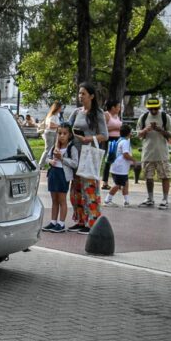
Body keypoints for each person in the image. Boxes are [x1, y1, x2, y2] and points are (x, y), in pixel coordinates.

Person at [68, 82, 108, 234]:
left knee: (89, 189)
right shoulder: (77, 112)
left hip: (89, 155)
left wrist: (88, 139)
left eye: (83, 94)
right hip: (76, 155)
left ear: (91, 96)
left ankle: (92, 222)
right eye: (79, 93)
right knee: (76, 190)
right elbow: (66, 127)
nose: (80, 96)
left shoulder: (98, 113)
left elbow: (105, 135)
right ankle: (80, 220)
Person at [137, 97, 171, 209]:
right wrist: (146, 130)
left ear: (159, 107)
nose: (153, 110)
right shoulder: (143, 117)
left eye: (155, 108)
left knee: (165, 176)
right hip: (148, 152)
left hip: (162, 153)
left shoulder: (165, 117)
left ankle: (165, 199)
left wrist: (160, 130)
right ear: (148, 108)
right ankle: (150, 198)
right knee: (148, 177)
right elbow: (138, 134)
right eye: (151, 108)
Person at [41, 122, 78, 233]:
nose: (61, 136)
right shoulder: (54, 147)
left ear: (70, 135)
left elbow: (75, 163)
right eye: (59, 133)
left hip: (63, 175)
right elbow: (47, 157)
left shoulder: (72, 148)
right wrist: (50, 161)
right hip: (53, 173)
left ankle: (61, 224)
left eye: (64, 133)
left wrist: (62, 158)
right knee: (54, 200)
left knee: (62, 200)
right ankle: (53, 222)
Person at [104, 124, 134, 207]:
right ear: (129, 133)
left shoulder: (120, 140)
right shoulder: (125, 142)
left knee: (125, 183)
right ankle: (107, 200)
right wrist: (133, 160)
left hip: (119, 168)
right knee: (117, 185)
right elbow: (125, 154)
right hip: (120, 169)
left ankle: (126, 201)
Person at [101, 99, 122, 190]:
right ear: (113, 107)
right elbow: (103, 128)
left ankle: (117, 182)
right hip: (109, 139)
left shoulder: (117, 116)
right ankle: (105, 182)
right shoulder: (106, 115)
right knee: (108, 160)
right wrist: (113, 128)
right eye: (118, 106)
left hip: (118, 139)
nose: (119, 108)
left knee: (117, 160)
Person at [38, 101, 63, 168]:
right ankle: (40, 165)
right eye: (61, 107)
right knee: (48, 149)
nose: (61, 109)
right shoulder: (52, 116)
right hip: (50, 133)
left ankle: (51, 162)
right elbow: (50, 126)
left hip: (53, 133)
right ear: (58, 108)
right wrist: (59, 126)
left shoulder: (56, 115)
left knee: (53, 148)